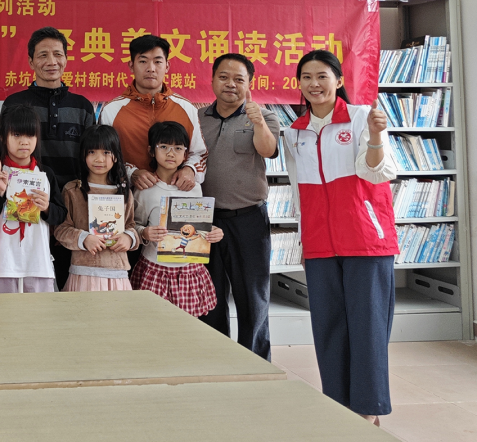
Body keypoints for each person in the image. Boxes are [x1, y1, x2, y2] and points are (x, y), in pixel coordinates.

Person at [282, 49, 397, 425]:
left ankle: (367, 408)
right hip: (319, 243)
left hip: (365, 239)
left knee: (368, 326)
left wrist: (376, 137)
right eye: (306, 77)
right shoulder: (293, 133)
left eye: (322, 76)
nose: (314, 84)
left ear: (339, 81)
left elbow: (379, 173)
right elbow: (298, 191)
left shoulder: (364, 116)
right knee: (328, 327)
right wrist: (304, 240)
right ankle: (337, 404)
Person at [197, 53, 281, 361]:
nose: (230, 84)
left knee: (252, 297)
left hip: (248, 220)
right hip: (204, 220)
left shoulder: (265, 117)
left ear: (249, 83)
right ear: (212, 79)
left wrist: (257, 122)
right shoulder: (197, 118)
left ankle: (256, 363)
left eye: (238, 79)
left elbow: (268, 150)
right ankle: (215, 361)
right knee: (209, 298)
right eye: (223, 77)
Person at [2, 26, 96, 289]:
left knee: (67, 282)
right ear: (31, 61)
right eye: (43, 55)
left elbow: (91, 161)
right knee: (26, 280)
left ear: (66, 58)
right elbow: (4, 156)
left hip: (71, 212)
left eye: (58, 54)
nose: (51, 61)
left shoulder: (82, 106)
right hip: (25, 205)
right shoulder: (14, 104)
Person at [131, 122, 223, 317]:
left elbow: (199, 227)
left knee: (187, 325)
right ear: (151, 151)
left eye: (178, 148)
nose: (170, 153)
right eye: (164, 147)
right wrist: (144, 233)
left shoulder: (194, 188)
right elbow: (134, 226)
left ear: (186, 154)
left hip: (189, 269)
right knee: (151, 321)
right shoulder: (144, 190)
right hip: (155, 268)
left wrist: (213, 231)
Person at [99, 35, 207, 192]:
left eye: (157, 61)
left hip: (177, 198)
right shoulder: (111, 110)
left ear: (167, 66)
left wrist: (191, 169)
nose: (151, 68)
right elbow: (103, 156)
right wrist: (131, 173)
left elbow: (199, 154)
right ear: (131, 66)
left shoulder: (186, 108)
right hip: (127, 198)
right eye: (143, 61)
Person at [0, 106, 66, 293]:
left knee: (38, 312)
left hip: (39, 264)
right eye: (17, 135)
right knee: (2, 312)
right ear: (3, 137)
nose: (24, 142)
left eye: (30, 135)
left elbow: (60, 215)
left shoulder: (45, 173)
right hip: (2, 265)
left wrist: (47, 208)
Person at [55, 125, 139, 292]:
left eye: (106, 152)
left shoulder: (124, 191)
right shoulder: (73, 190)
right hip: (83, 271)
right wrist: (84, 238)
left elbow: (131, 225)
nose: (99, 159)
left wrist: (129, 238)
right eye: (92, 152)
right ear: (83, 155)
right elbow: (60, 230)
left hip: (117, 272)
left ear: (116, 156)